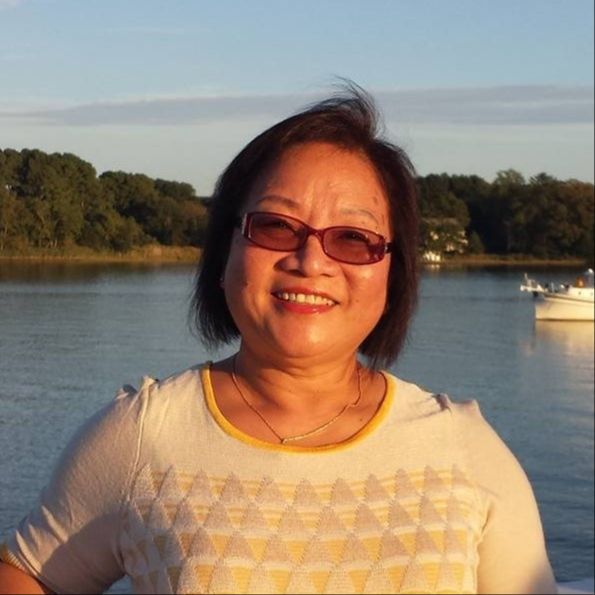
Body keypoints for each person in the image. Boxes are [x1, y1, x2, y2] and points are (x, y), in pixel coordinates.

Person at [0, 86, 556, 594]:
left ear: (393, 276)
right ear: (225, 256)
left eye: (353, 238)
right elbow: (27, 573)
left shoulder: (462, 451)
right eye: (275, 226)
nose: (310, 261)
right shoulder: (145, 436)